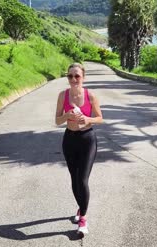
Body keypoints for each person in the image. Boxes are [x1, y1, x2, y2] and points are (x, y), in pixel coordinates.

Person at [55, 63, 103, 236]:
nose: (73, 79)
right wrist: (67, 116)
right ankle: (80, 209)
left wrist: (87, 119)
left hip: (87, 140)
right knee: (74, 180)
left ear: (83, 77)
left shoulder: (90, 95)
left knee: (82, 180)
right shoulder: (63, 95)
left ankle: (83, 218)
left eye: (77, 76)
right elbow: (57, 121)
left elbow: (100, 118)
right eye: (70, 76)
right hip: (69, 139)